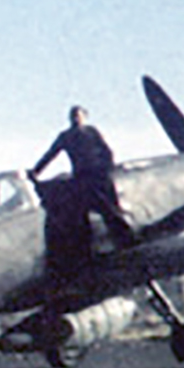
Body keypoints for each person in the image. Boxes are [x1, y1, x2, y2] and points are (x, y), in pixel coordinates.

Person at [29, 105, 139, 267]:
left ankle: (126, 240)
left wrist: (108, 167)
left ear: (84, 117)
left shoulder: (92, 132)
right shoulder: (65, 136)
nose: (76, 118)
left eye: (78, 115)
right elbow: (51, 154)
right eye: (73, 115)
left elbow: (106, 150)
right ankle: (89, 251)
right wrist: (36, 171)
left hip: (99, 175)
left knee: (111, 209)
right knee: (87, 213)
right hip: (82, 178)